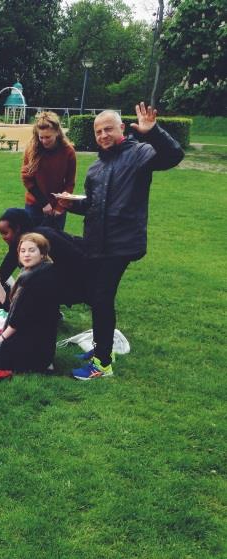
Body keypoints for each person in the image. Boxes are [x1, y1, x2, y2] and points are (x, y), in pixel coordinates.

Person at [56, 103, 184, 380]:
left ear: (121, 129)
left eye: (108, 129)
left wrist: (153, 132)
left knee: (101, 298)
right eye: (98, 131)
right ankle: (104, 349)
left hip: (122, 243)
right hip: (98, 242)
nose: (103, 135)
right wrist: (70, 205)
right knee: (100, 298)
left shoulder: (139, 153)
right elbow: (92, 205)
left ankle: (102, 364)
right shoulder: (97, 167)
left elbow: (173, 155)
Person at [0, 208, 86, 318]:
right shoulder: (19, 245)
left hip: (78, 278)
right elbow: (4, 273)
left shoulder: (45, 238)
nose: (3, 237)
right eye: (1, 233)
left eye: (5, 233)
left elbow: (76, 255)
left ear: (18, 229)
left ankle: (48, 312)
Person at [0, 233, 59, 372]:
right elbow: (10, 307)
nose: (26, 255)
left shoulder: (39, 279)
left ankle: (38, 364)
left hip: (32, 343)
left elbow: (20, 318)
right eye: (23, 251)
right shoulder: (28, 272)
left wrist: (2, 338)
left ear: (42, 253)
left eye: (32, 250)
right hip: (20, 334)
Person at [21, 111, 77, 230]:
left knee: (55, 243)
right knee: (32, 242)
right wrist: (43, 203)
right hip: (34, 205)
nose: (44, 141)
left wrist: (60, 207)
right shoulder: (32, 149)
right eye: (41, 137)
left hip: (58, 206)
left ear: (57, 132)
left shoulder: (68, 152)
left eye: (48, 137)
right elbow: (27, 179)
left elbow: (70, 183)